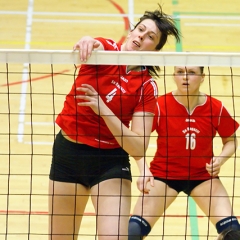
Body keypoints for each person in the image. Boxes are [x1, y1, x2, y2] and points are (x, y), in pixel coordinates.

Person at [48, 4, 181, 240]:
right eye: (140, 29)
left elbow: (139, 146)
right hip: (68, 156)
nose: (141, 36)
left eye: (151, 37)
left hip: (109, 162)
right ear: (130, 33)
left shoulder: (146, 87)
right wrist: (87, 40)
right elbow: (94, 43)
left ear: (154, 50)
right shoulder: (106, 51)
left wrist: (103, 109)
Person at [128, 66, 240, 239]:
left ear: (203, 77)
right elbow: (136, 141)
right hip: (163, 176)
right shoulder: (159, 105)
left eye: (192, 73)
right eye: (180, 72)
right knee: (132, 233)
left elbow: (231, 141)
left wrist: (220, 159)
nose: (185, 77)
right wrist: (143, 169)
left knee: (234, 234)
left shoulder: (215, 107)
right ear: (174, 75)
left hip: (203, 177)